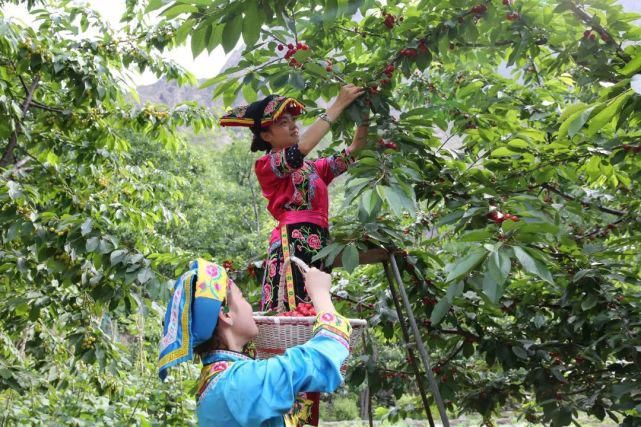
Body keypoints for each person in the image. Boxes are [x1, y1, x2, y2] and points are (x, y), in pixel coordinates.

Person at [219, 85, 369, 312]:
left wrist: (364, 112)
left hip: (320, 247)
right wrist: (338, 104)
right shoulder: (266, 165)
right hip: (292, 246)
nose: (293, 126)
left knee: (316, 311)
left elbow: (355, 149)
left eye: (292, 120)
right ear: (266, 136)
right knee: (293, 311)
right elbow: (302, 148)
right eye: (283, 122)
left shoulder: (314, 168)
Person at [158, 259, 352, 427]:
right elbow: (321, 359)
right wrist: (320, 295)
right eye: (242, 297)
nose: (249, 307)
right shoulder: (236, 382)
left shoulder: (221, 377)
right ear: (226, 315)